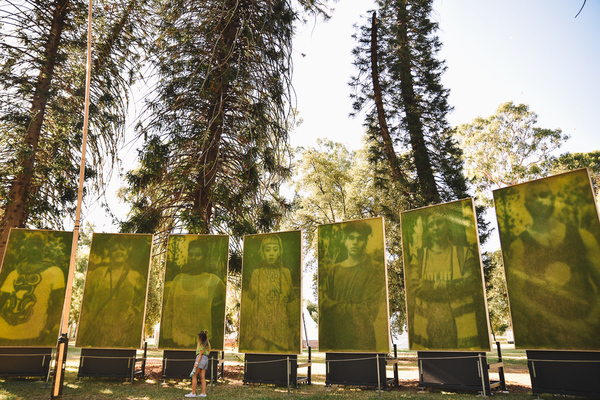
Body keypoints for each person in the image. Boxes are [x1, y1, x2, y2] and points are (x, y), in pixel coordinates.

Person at [506, 179, 600, 349]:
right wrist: (559, 325)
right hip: (546, 337)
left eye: (544, 195)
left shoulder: (583, 237)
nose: (540, 200)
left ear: (552, 198)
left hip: (589, 332)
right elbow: (518, 297)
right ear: (527, 204)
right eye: (534, 197)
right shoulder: (519, 246)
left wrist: (591, 320)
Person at [406, 210, 489, 350]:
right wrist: (450, 287)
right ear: (427, 229)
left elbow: (472, 283)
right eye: (431, 225)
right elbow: (414, 287)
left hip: (460, 326)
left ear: (447, 225)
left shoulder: (463, 253)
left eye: (439, 223)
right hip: (428, 326)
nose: (435, 228)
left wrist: (435, 286)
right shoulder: (419, 257)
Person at [319, 221, 386, 351]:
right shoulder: (334, 270)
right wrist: (348, 308)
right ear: (345, 241)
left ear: (365, 241)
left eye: (360, 239)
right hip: (335, 338)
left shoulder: (374, 269)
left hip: (361, 339)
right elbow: (324, 304)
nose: (355, 242)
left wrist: (334, 306)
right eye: (351, 238)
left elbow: (367, 310)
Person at [77, 235, 147, 348]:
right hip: (98, 329)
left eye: (122, 249)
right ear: (110, 252)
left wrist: (134, 311)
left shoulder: (135, 277)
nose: (119, 252)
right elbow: (87, 299)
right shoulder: (98, 274)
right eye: (115, 249)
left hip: (122, 331)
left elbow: (143, 298)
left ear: (128, 251)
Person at [0, 231, 66, 346]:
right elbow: (2, 301)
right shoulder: (14, 273)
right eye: (32, 244)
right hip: (3, 334)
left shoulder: (55, 272)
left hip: (32, 336)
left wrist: (47, 330)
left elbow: (57, 306)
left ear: (44, 249)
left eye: (39, 245)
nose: (35, 248)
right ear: (26, 247)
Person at [161, 238, 226, 349]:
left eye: (198, 255)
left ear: (204, 258)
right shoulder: (178, 279)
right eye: (191, 254)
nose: (194, 258)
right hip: (178, 338)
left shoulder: (213, 281)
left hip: (202, 340)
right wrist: (167, 336)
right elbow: (169, 309)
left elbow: (219, 311)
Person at [243, 234, 298, 352]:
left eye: (275, 249)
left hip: (280, 327)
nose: (271, 253)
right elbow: (250, 299)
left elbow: (292, 300)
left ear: (280, 251)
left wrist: (294, 327)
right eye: (268, 250)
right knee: (259, 350)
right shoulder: (256, 274)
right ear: (262, 252)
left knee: (278, 352)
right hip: (259, 327)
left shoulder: (285, 273)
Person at [187, 330, 211, 398]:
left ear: (200, 337)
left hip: (200, 359)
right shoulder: (207, 344)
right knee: (202, 377)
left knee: (194, 375)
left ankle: (193, 393)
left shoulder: (201, 344)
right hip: (206, 359)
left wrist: (197, 363)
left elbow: (200, 354)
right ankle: (203, 393)